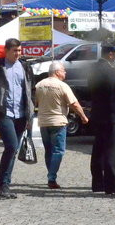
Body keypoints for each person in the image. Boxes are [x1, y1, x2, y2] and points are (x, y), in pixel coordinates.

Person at [0, 38, 34, 199]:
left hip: (21, 113)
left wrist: (30, 112)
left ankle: (6, 185)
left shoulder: (25, 66)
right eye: (14, 51)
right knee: (11, 146)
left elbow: (30, 88)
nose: (17, 53)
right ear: (6, 51)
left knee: (14, 149)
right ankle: (2, 184)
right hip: (3, 112)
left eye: (19, 50)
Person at [35, 61, 88, 189]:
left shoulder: (39, 85)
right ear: (57, 72)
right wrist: (83, 116)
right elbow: (74, 103)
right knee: (58, 150)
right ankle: (51, 177)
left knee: (49, 150)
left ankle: (50, 175)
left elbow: (36, 102)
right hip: (58, 122)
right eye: (63, 70)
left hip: (43, 122)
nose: (65, 72)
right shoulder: (62, 86)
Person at [88, 40, 115, 194]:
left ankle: (97, 184)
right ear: (110, 54)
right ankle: (112, 185)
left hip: (97, 115)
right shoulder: (110, 71)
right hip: (111, 117)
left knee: (98, 150)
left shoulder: (94, 68)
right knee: (112, 152)